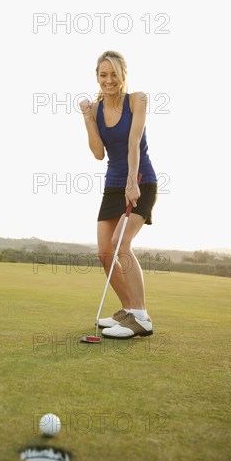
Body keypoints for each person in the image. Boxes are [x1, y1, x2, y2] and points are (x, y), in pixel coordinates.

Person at [80, 50, 157, 338]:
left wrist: (132, 182)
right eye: (103, 75)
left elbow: (134, 141)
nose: (108, 80)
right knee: (105, 252)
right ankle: (127, 312)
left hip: (140, 180)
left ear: (123, 75)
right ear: (97, 77)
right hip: (112, 185)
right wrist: (88, 118)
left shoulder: (137, 99)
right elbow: (99, 153)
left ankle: (141, 317)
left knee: (120, 243)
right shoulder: (97, 108)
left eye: (113, 74)